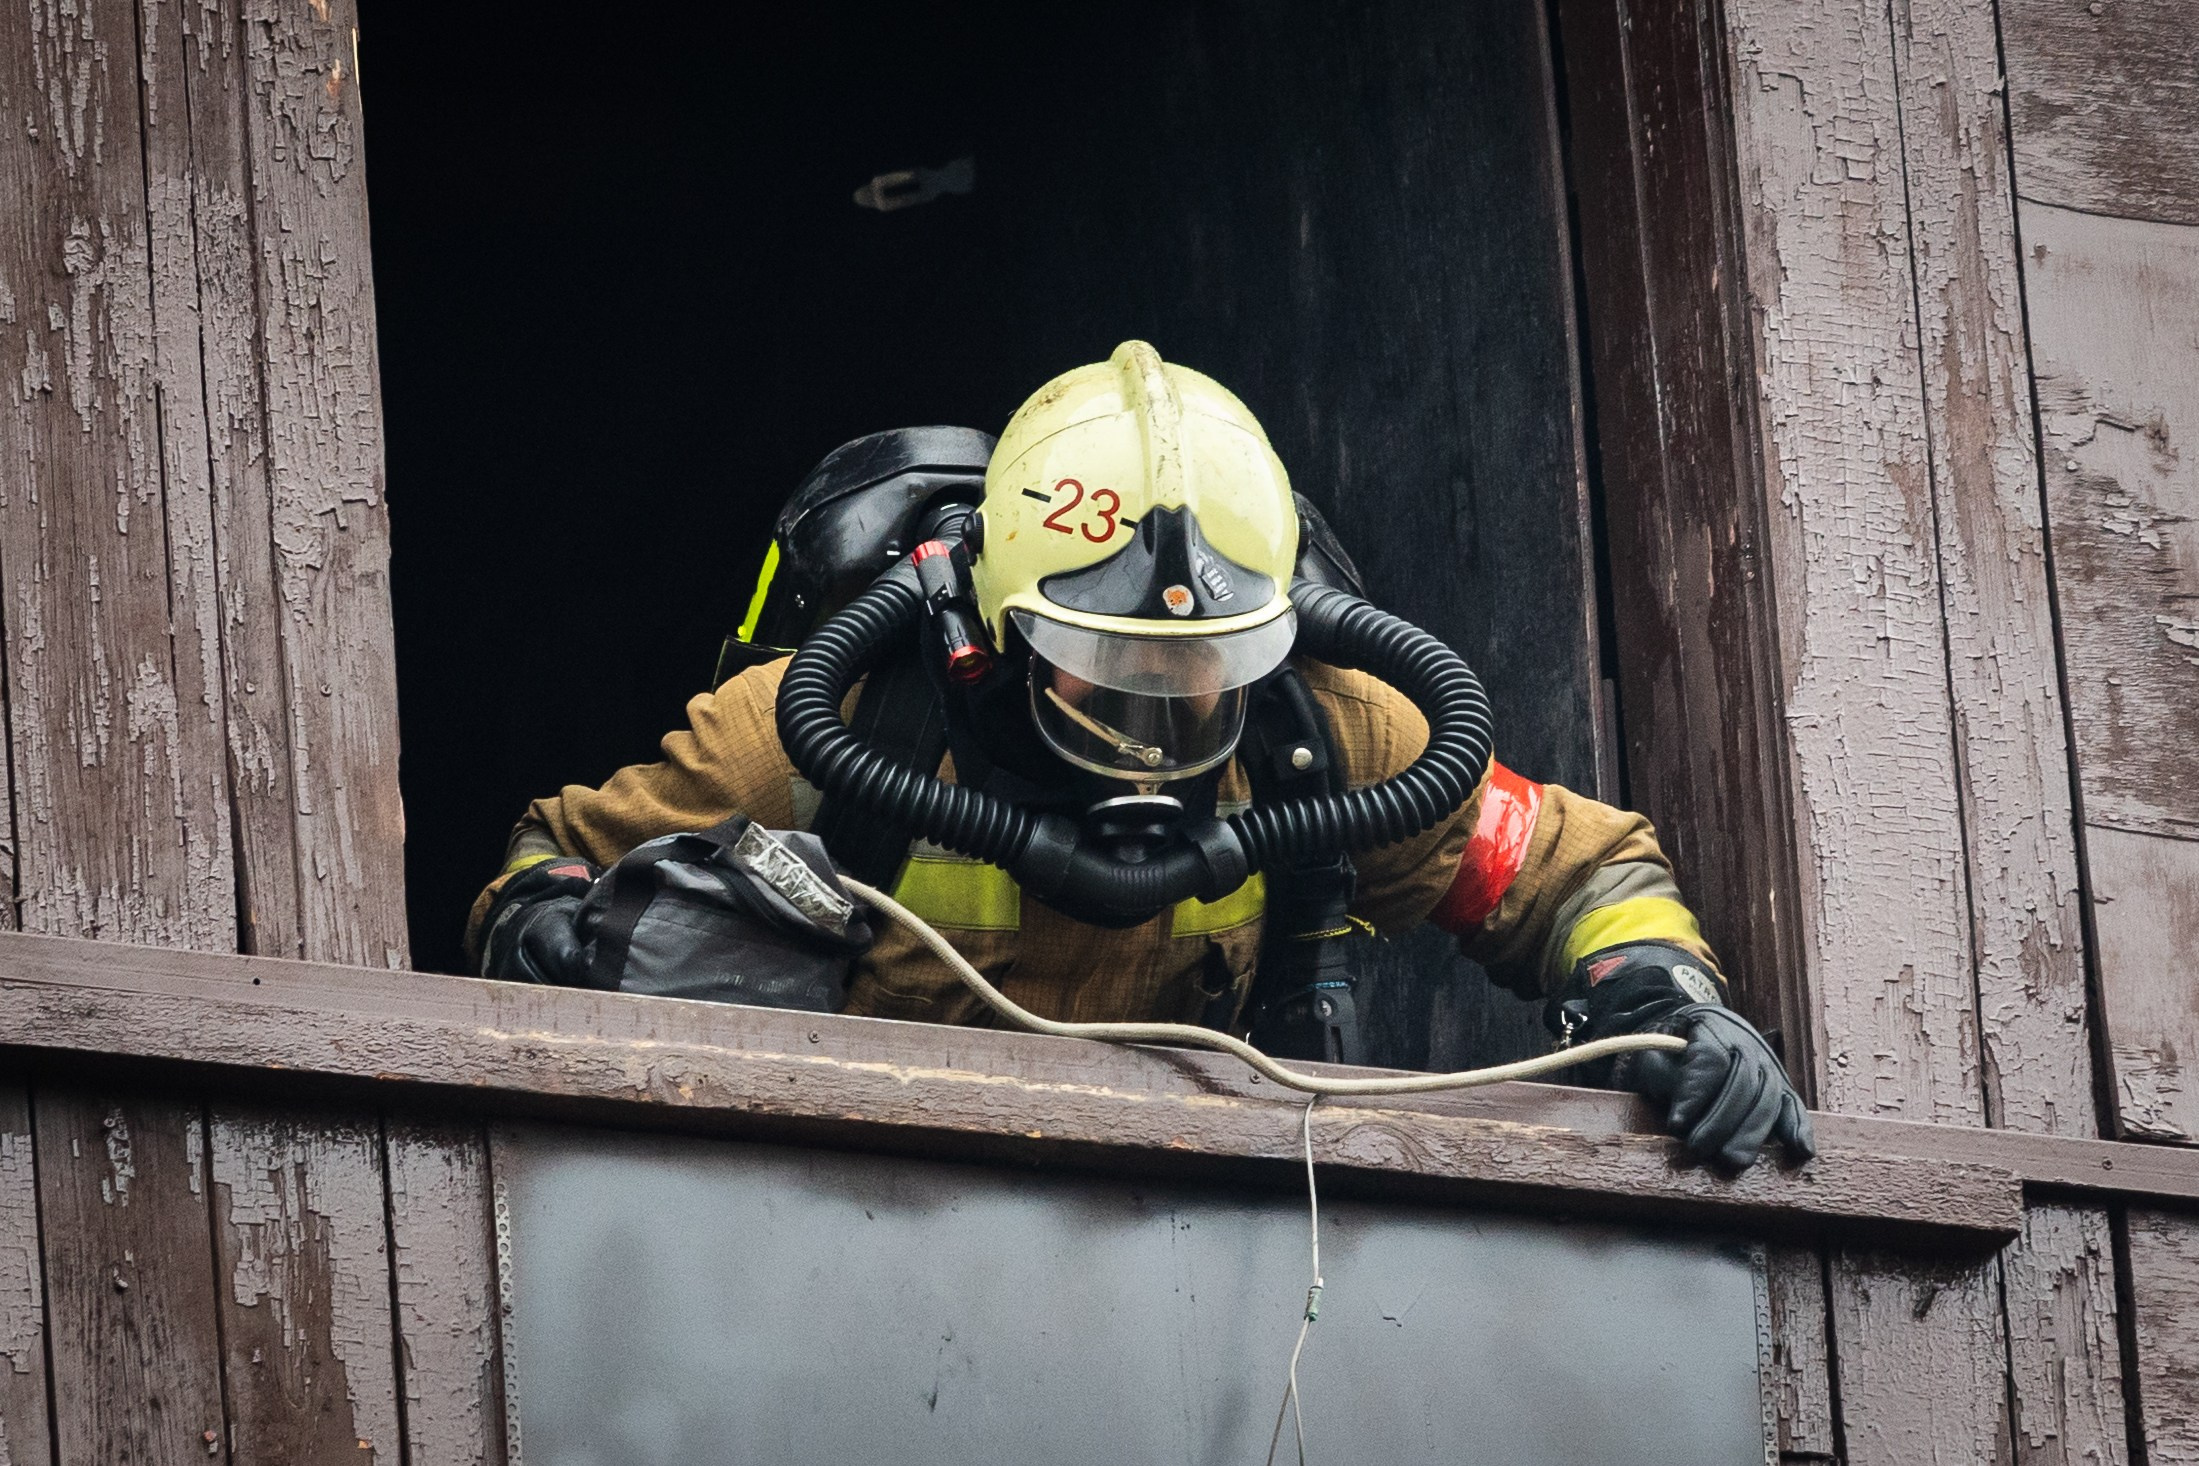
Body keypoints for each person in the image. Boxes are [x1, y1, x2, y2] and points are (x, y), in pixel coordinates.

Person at [466, 342, 1812, 1170]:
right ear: (994, 633)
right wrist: (537, 923)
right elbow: (553, 853)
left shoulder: (1328, 738)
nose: (1155, 733)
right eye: (1111, 678)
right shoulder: (825, 729)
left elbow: (1578, 870)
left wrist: (1667, 998)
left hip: (1201, 1251)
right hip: (848, 1226)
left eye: (1200, 679)